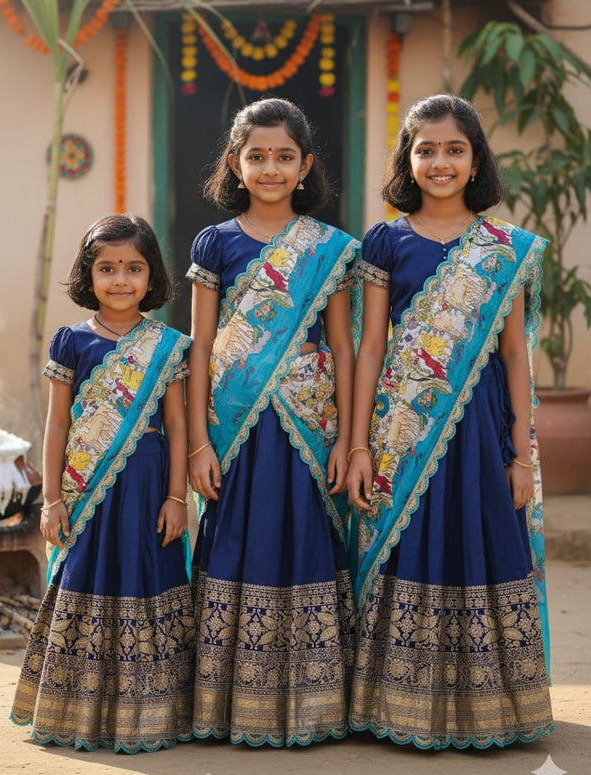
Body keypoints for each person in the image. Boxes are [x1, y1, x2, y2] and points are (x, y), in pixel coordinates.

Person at [347, 94, 554, 749]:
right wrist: (358, 444)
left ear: (474, 159)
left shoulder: (505, 248)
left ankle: (493, 705)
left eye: (453, 148)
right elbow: (370, 346)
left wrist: (520, 455)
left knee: (484, 542)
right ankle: (399, 702)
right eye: (425, 148)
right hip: (402, 431)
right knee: (410, 548)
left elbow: (516, 353)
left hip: (480, 430)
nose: (439, 161)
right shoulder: (384, 240)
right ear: (407, 159)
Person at [186, 98, 360, 747]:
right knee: (237, 540)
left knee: (305, 542)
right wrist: (199, 442)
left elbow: (343, 346)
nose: (269, 167)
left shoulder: (331, 248)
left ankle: (313, 703)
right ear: (235, 163)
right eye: (256, 156)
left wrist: (348, 437)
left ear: (305, 164)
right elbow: (200, 346)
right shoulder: (216, 242)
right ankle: (226, 704)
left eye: (283, 156)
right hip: (233, 428)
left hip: (310, 430)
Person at [10, 214, 194, 752]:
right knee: (88, 582)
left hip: (148, 491)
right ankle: (79, 714)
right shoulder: (71, 343)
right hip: (86, 495)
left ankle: (150, 715)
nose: (120, 279)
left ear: (151, 275)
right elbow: (57, 425)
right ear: (87, 277)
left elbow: (179, 424)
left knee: (146, 581)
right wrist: (50, 499)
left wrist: (177, 496)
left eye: (133, 268)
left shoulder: (168, 345)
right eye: (106, 268)